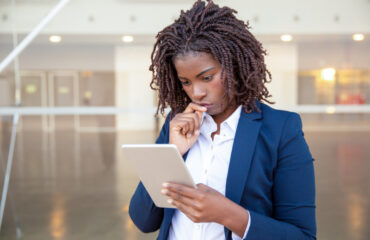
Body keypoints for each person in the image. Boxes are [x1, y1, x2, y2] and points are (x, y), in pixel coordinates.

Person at [129, 0, 316, 239]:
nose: (196, 92)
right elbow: (143, 220)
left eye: (206, 77)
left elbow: (302, 235)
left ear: (235, 66)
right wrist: (172, 151)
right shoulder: (177, 124)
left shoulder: (281, 130)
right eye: (185, 82)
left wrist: (228, 214)